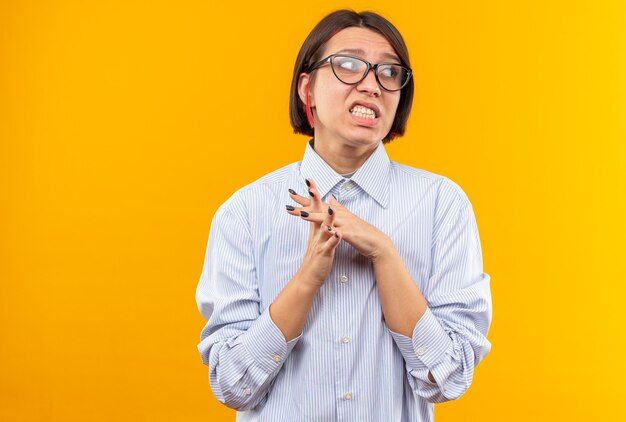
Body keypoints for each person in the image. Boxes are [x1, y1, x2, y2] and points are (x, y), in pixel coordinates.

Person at [196, 9, 492, 421]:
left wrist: (385, 254)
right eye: (349, 65)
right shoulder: (245, 212)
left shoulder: (442, 205)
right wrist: (307, 279)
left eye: (389, 72)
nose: (372, 85)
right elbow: (231, 383)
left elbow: (451, 377)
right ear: (307, 88)